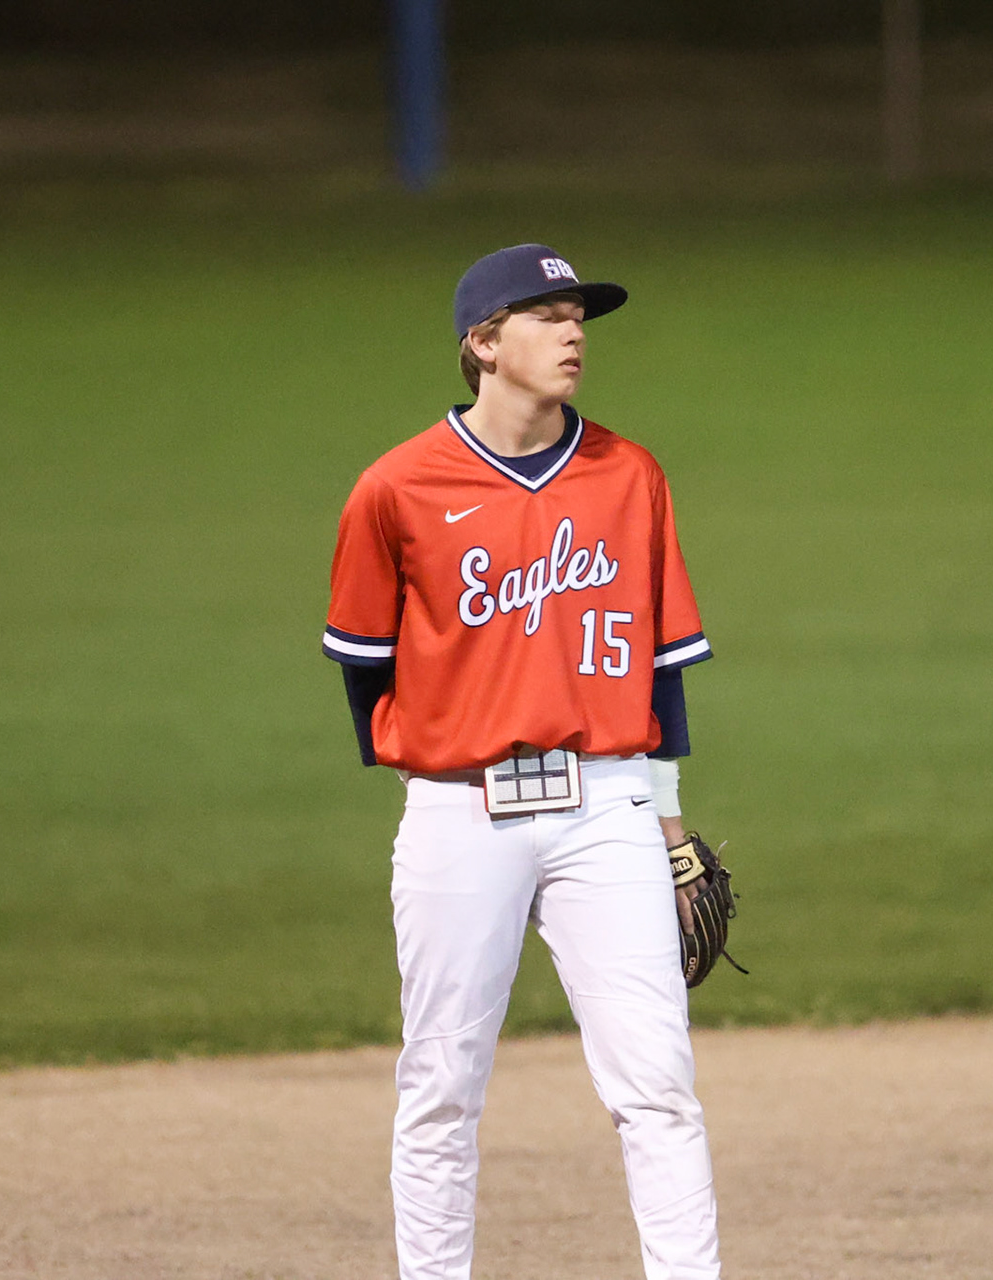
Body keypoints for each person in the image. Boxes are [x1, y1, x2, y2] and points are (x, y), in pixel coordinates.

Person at [322, 244, 722, 1280]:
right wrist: (435, 760)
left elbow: (659, 675)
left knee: (659, 1081)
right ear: (483, 343)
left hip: (608, 805)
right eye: (545, 315)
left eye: (579, 315)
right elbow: (365, 668)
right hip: (461, 809)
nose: (574, 332)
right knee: (442, 1083)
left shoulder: (629, 474)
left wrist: (668, 825)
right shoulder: (397, 488)